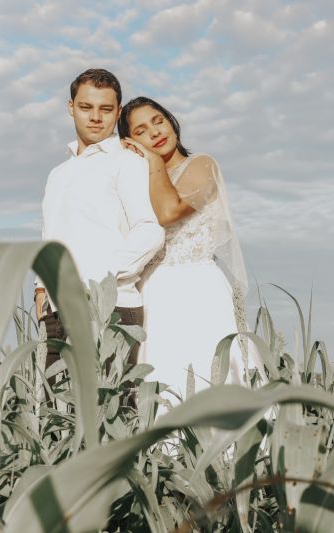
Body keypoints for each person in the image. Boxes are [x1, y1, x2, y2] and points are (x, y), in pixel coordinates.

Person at [117, 96, 251, 400]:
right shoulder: (135, 182)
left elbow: (169, 211)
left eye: (158, 121)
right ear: (130, 142)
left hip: (198, 289)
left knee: (210, 378)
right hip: (152, 293)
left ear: (171, 121)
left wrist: (153, 161)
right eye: (140, 131)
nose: (155, 132)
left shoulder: (202, 165)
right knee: (162, 383)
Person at [36, 70, 164, 372]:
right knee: (54, 401)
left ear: (117, 113)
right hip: (56, 312)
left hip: (111, 308)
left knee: (109, 401)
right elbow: (51, 234)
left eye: (106, 109)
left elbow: (150, 230)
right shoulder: (57, 174)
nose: (95, 117)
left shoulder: (128, 162)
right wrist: (40, 289)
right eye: (86, 107)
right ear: (71, 108)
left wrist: (94, 282)